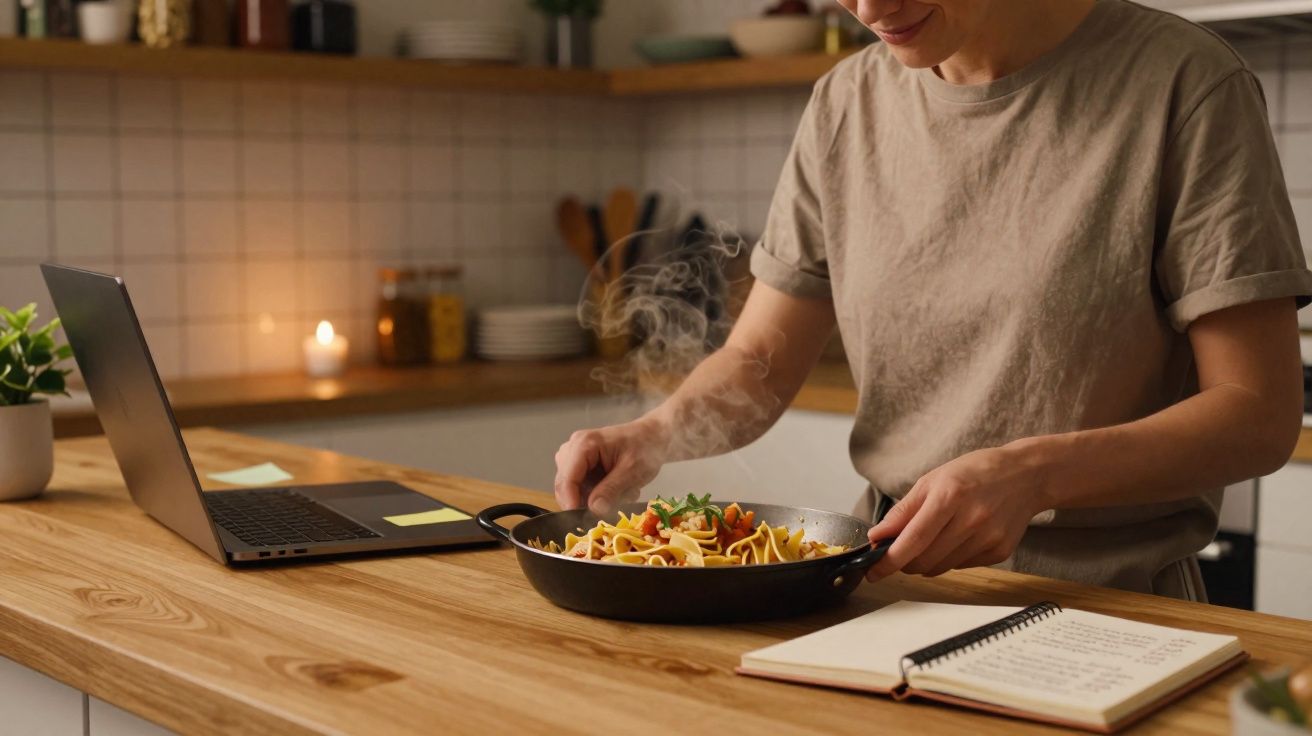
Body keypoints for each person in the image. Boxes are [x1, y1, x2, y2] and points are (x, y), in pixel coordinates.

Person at [553, 0, 1312, 600]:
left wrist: (1034, 475)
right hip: (886, 597)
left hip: (1114, 609)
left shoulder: (1184, 83)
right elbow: (758, 359)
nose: (872, 7)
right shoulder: (845, 103)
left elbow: (1258, 413)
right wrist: (652, 435)